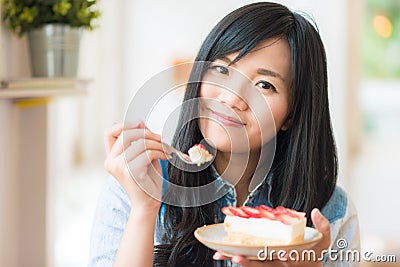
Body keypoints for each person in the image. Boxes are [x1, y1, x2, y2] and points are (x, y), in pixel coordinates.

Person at [89, 2, 360, 267]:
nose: (232, 97)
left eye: (264, 85)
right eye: (222, 70)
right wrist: (143, 213)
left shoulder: (331, 212)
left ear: (291, 114)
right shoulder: (138, 184)